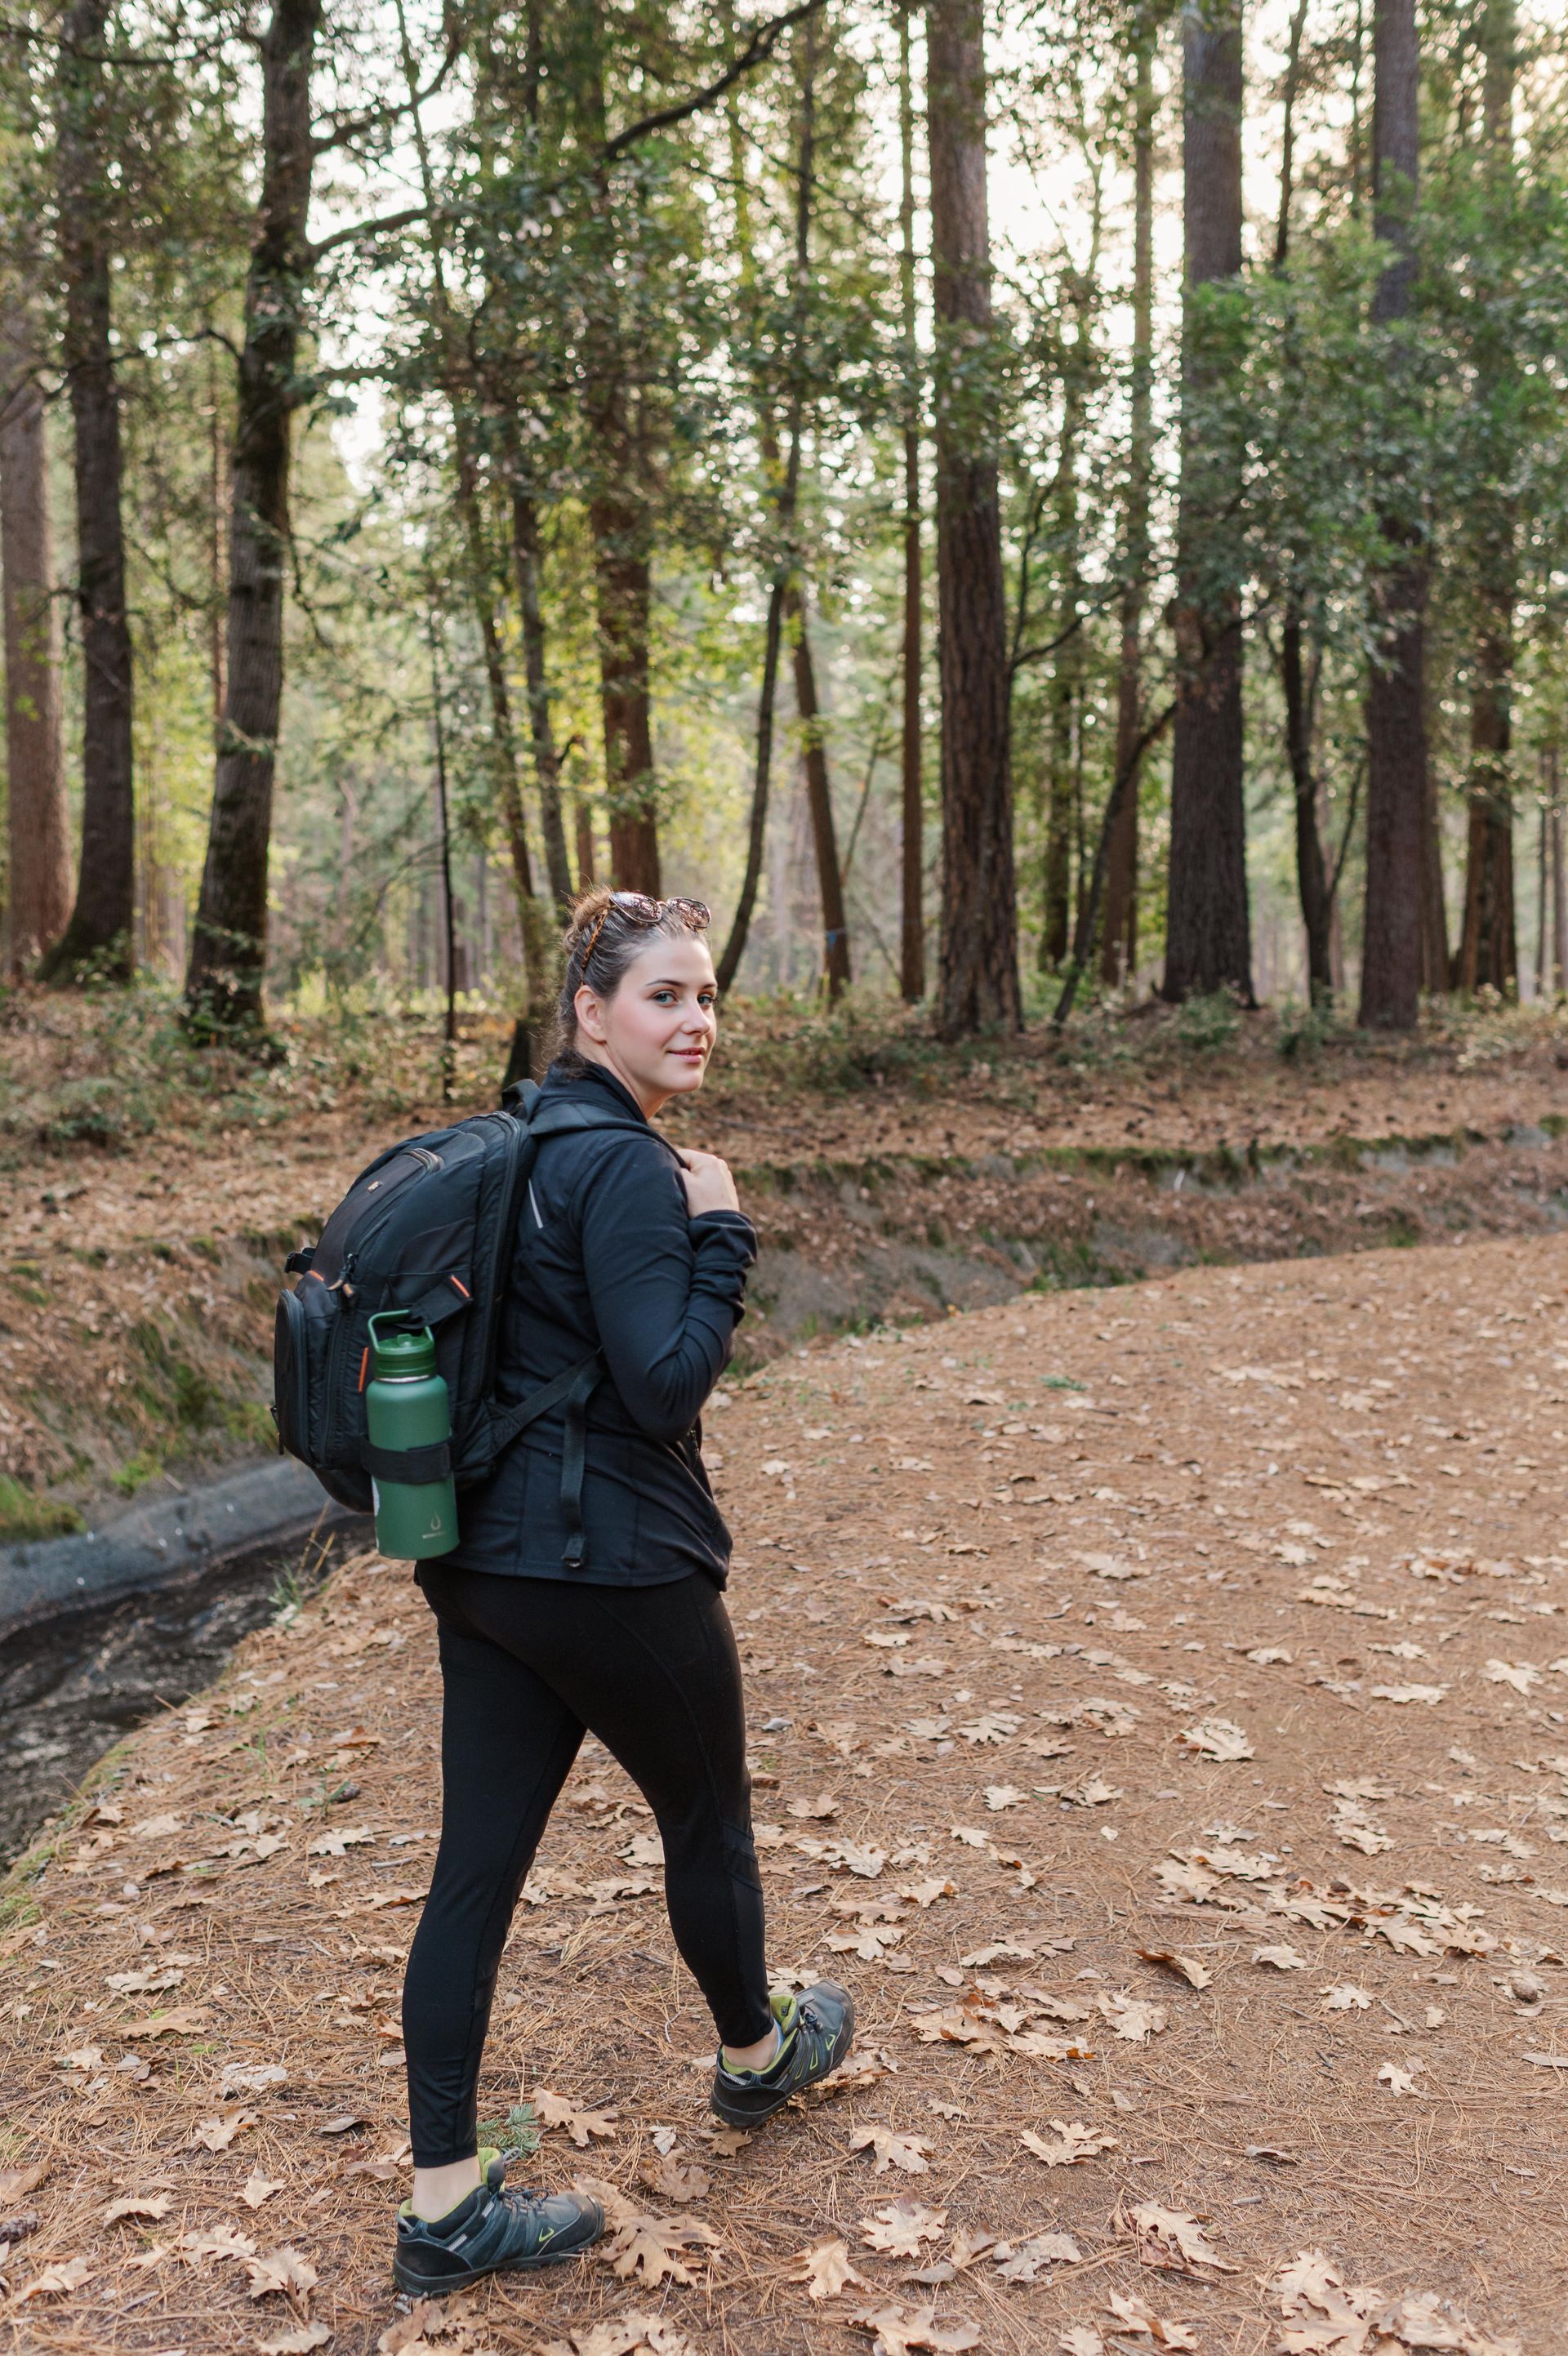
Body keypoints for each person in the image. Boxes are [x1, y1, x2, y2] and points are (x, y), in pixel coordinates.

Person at [392, 888, 854, 2298]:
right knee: (709, 1817)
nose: (697, 1017)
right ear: (591, 1011)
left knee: (472, 1870)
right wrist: (723, 1234)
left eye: (708, 994)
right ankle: (758, 2055)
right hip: (610, 1569)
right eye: (665, 995)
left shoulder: (517, 1144)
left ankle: (446, 2207)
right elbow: (662, 1385)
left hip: (479, 1565)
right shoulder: (639, 1171)